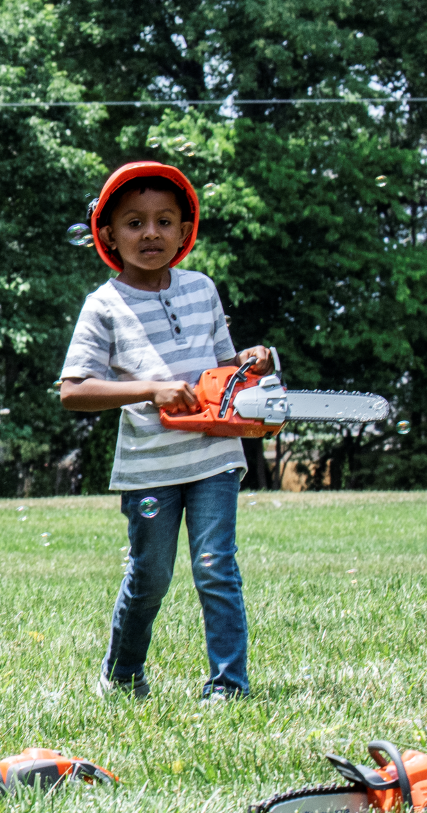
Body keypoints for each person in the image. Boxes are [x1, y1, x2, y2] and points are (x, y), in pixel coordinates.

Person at [58, 160, 272, 702]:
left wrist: (253, 364)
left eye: (163, 221)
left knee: (215, 568)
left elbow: (226, 375)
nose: (149, 233)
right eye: (134, 222)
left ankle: (228, 686)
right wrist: (149, 389)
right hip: (150, 467)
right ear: (107, 234)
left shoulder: (202, 290)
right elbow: (73, 390)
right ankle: (124, 675)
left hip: (214, 457)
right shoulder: (103, 305)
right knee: (150, 576)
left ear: (183, 230)